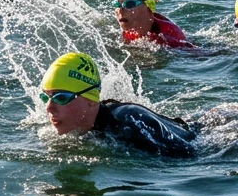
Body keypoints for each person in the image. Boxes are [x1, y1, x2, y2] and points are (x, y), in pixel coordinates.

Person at [37, 52, 196, 157]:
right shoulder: (76, 128)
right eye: (46, 97)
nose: (49, 108)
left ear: (91, 100)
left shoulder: (131, 123)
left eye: (61, 98)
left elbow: (190, 156)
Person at [43, 0, 193, 47]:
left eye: (129, 4)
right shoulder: (131, 21)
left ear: (149, 6)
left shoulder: (168, 38)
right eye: (117, 4)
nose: (121, 10)